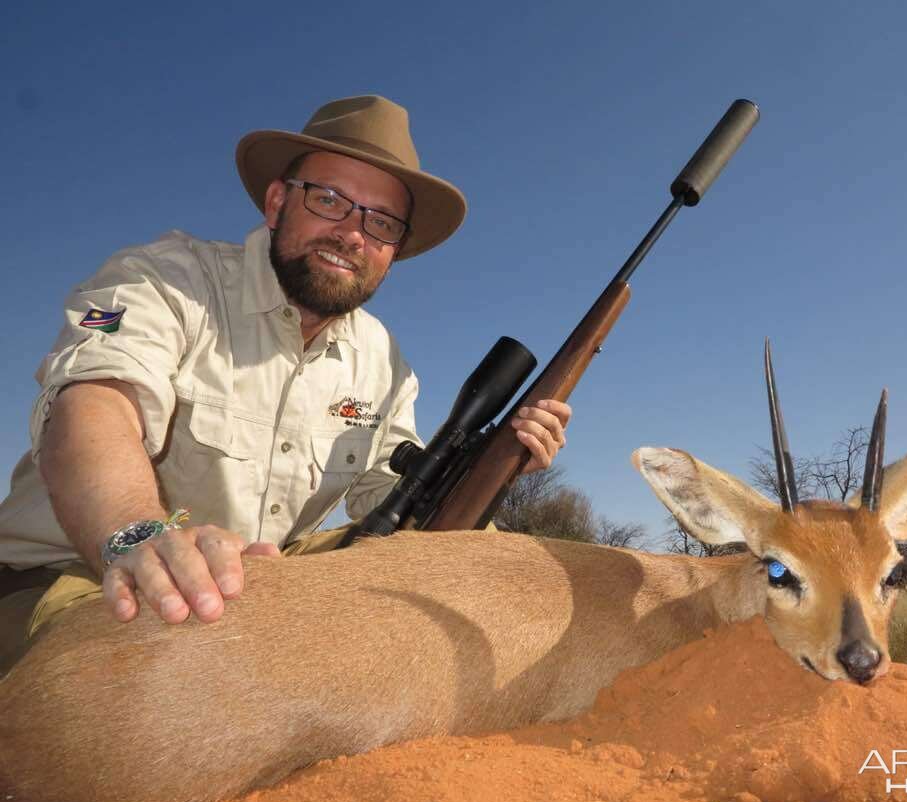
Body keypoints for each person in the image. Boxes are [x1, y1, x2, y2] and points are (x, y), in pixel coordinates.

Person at [0, 95, 572, 673]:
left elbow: (387, 495)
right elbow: (96, 404)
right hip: (75, 572)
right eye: (329, 200)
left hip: (259, 580)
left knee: (458, 592)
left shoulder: (382, 358)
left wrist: (490, 471)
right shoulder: (166, 279)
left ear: (393, 250)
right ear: (277, 203)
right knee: (163, 671)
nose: (353, 234)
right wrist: (137, 537)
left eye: (381, 222)